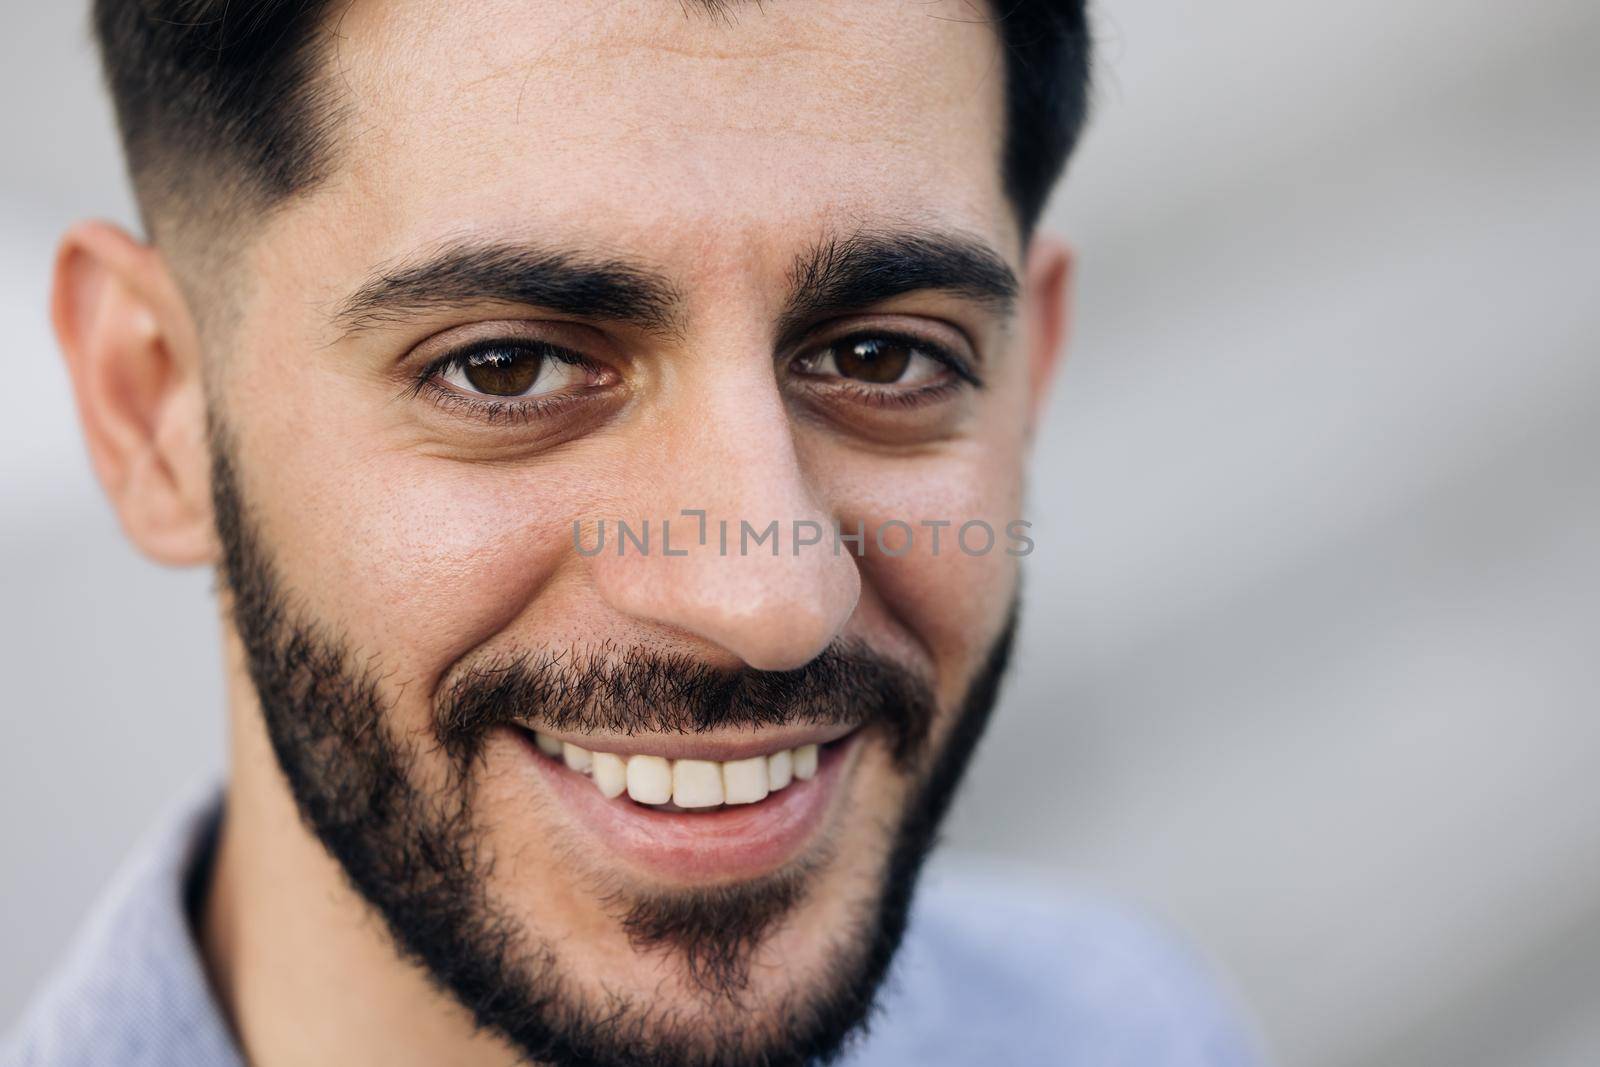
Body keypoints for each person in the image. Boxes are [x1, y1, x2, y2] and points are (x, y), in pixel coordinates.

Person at [4, 2, 1261, 1065]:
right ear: (153, 409)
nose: (767, 599)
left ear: (1027, 378)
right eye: (505, 369)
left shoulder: (1128, 1019)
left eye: (882, 356)